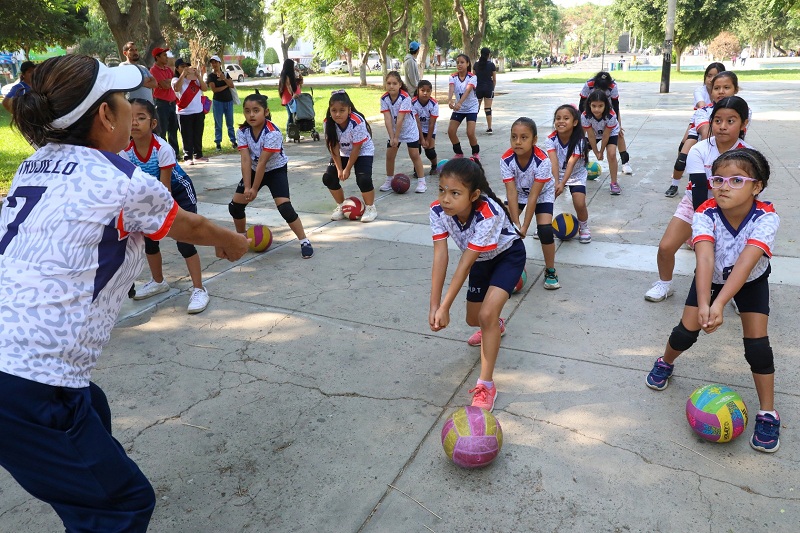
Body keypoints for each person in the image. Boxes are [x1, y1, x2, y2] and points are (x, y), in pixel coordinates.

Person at [0, 54, 247, 532]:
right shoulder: (123, 181)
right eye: (123, 101)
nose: (133, 109)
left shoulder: (34, 165)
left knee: (93, 406)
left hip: (17, 364)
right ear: (105, 117)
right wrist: (233, 241)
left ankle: (87, 485)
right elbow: (188, 225)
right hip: (30, 377)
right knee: (122, 505)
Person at [645, 148, 781, 453]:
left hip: (750, 282)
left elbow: (747, 263)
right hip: (711, 278)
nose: (723, 186)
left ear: (756, 186)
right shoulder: (705, 211)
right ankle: (665, 362)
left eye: (736, 180)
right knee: (685, 332)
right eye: (718, 179)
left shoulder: (766, 217)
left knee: (758, 347)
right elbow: (704, 259)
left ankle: (768, 413)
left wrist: (719, 305)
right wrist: (706, 303)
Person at [429, 158, 526, 412]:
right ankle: (495, 324)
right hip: (482, 262)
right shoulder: (438, 212)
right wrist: (435, 305)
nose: (445, 199)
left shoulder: (488, 212)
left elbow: (464, 264)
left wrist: (446, 306)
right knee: (475, 320)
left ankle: (486, 384)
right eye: (441, 190)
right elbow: (441, 256)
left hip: (508, 256)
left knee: (486, 314)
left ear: (473, 195)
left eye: (454, 193)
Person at [645, 96, 751, 303]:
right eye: (717, 120)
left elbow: (749, 194)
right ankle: (664, 284)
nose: (722, 126)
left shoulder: (749, 154)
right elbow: (700, 188)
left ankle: (738, 293)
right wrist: (702, 227)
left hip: (734, 209)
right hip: (697, 204)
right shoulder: (699, 149)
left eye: (731, 121)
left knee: (734, 256)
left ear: (743, 124)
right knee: (666, 247)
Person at [122, 98, 211, 312]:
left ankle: (199, 289)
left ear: (153, 123)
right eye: (130, 118)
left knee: (184, 240)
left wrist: (160, 218)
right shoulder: (125, 150)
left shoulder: (162, 148)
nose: (134, 122)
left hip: (177, 193)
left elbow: (165, 190)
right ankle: (159, 282)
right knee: (150, 241)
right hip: (150, 196)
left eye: (141, 118)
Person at [230, 91, 313, 258]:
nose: (251, 114)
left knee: (285, 208)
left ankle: (304, 240)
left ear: (266, 112)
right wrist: (247, 187)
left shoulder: (273, 133)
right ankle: (242, 238)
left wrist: (254, 189)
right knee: (235, 207)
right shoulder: (242, 132)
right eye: (247, 110)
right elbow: (246, 160)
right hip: (253, 169)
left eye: (256, 110)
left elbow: (263, 162)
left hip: (275, 170)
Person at [501, 117, 560, 289]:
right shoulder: (506, 160)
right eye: (514, 137)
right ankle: (505, 267)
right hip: (518, 192)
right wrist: (516, 223)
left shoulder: (542, 161)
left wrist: (525, 226)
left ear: (534, 140)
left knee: (545, 230)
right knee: (504, 228)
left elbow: (534, 196)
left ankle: (550, 270)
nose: (517, 142)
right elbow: (511, 192)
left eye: (524, 137)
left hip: (542, 193)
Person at [666, 70, 741, 198]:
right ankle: (674, 184)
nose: (721, 91)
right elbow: (707, 135)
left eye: (726, 87)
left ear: (735, 89)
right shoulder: (703, 108)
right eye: (716, 88)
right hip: (700, 135)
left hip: (727, 150)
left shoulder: (744, 111)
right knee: (682, 159)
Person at [323, 90, 377, 222]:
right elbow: (334, 147)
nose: (337, 114)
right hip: (343, 151)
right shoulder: (328, 123)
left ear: (349, 110)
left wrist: (347, 169)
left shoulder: (357, 122)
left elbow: (356, 149)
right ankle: (341, 206)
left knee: (363, 179)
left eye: (342, 110)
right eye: (334, 110)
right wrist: (339, 169)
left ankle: (370, 208)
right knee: (329, 178)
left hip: (362, 150)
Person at [546, 104, 591, 243]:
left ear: (575, 122)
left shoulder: (580, 141)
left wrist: (563, 183)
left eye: (566, 118)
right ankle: (544, 226)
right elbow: (553, 161)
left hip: (576, 174)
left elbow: (571, 163)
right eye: (558, 118)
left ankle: (583, 227)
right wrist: (556, 182)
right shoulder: (550, 139)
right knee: (546, 201)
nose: (561, 121)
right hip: (556, 173)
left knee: (579, 202)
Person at [378, 71, 427, 193]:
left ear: (400, 84)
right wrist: (392, 137)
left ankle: (422, 181)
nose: (391, 86)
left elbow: (400, 118)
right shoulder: (384, 98)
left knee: (414, 155)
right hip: (394, 131)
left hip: (409, 129)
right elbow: (387, 118)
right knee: (390, 155)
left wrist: (396, 137)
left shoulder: (405, 97)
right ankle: (389, 179)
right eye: (388, 83)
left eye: (394, 83)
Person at [578, 71, 632, 175]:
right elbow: (581, 105)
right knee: (582, 141)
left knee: (619, 134)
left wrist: (618, 124)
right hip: (590, 112)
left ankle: (625, 162)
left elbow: (616, 106)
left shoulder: (613, 86)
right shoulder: (588, 85)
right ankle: (582, 164)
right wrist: (585, 123)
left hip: (609, 112)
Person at [582, 90, 622, 195]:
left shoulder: (611, 115)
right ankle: (577, 178)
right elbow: (590, 135)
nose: (597, 109)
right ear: (589, 105)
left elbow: (606, 135)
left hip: (609, 132)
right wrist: (596, 152)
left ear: (605, 105)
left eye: (600, 106)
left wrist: (602, 151)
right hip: (594, 133)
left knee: (612, 154)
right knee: (580, 152)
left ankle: (614, 183)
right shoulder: (585, 115)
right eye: (594, 106)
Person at [172, 58, 208, 164]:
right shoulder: (175, 79)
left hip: (198, 111)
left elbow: (205, 88)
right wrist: (183, 75)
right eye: (182, 66)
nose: (185, 68)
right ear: (177, 68)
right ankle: (188, 157)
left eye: (187, 66)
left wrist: (198, 76)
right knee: (186, 135)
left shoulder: (195, 80)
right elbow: (177, 88)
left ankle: (198, 155)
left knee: (198, 134)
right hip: (184, 112)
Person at [447, 54, 480, 159]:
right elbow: (451, 88)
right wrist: (450, 100)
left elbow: (467, 90)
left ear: (468, 64)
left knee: (470, 132)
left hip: (471, 107)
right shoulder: (452, 77)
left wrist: (459, 103)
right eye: (458, 62)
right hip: (459, 108)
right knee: (451, 131)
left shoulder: (472, 77)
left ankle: (475, 153)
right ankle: (459, 153)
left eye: (462, 62)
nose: (459, 65)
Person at [150, 47, 180, 154]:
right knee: (162, 130)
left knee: (173, 129)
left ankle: (175, 153)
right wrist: (169, 82)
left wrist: (169, 82)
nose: (166, 57)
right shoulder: (154, 70)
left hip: (172, 103)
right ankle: (164, 153)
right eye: (164, 55)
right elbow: (165, 85)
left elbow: (173, 84)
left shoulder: (168, 69)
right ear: (157, 57)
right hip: (162, 104)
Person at [206, 55, 237, 151]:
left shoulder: (226, 74)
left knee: (230, 122)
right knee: (218, 123)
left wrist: (224, 79)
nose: (214, 64)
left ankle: (233, 141)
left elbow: (231, 85)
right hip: (218, 102)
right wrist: (225, 86)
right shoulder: (211, 76)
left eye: (216, 62)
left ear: (220, 63)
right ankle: (218, 143)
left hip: (228, 101)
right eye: (212, 62)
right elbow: (214, 89)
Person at [412, 79, 440, 176]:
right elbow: (417, 123)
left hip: (429, 128)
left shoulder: (434, 104)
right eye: (422, 90)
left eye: (428, 91)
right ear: (418, 90)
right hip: (417, 128)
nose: (425, 93)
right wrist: (421, 139)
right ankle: (417, 168)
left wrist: (427, 140)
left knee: (429, 151)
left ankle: (434, 165)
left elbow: (432, 123)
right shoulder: (413, 103)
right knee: (416, 150)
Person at [473, 47, 497, 134]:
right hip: (488, 88)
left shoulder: (476, 65)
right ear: (488, 54)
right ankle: (489, 128)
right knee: (488, 109)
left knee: (476, 109)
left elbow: (473, 78)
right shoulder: (491, 65)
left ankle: (472, 127)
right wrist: (492, 88)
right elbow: (494, 79)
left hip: (478, 88)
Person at [278, 59, 302, 141]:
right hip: (289, 98)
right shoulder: (287, 76)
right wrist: (292, 95)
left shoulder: (287, 74)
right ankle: (289, 134)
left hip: (288, 98)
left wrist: (298, 72)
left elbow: (299, 81)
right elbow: (288, 86)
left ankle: (295, 133)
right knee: (291, 116)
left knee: (294, 116)